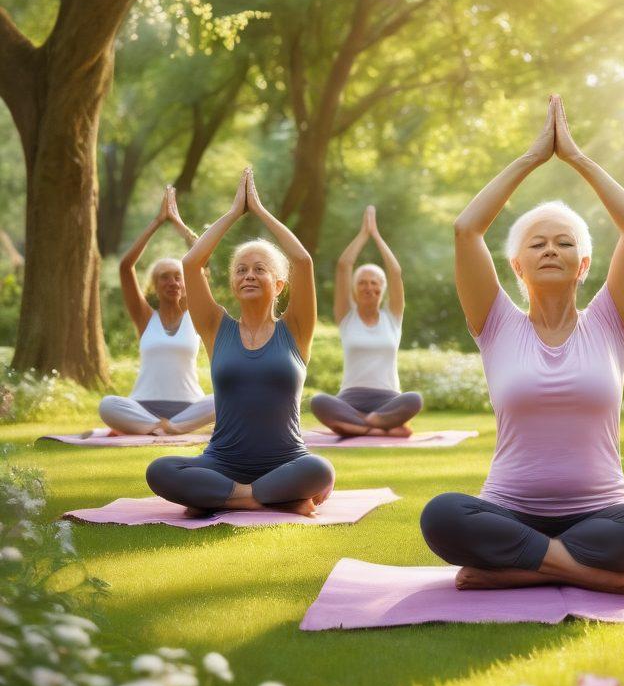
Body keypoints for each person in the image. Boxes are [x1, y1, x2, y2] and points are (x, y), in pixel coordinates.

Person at [420, 95, 624, 597]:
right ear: (517, 266)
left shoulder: (611, 321)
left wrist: (576, 157)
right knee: (442, 515)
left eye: (565, 243)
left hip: (603, 514)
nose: (551, 249)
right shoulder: (494, 323)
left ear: (583, 266)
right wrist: (532, 157)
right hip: (508, 511)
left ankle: (515, 570)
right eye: (537, 244)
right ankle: (584, 573)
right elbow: (466, 229)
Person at [146, 169, 334, 517]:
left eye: (260, 269)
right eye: (241, 270)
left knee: (320, 471)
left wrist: (260, 211)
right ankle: (266, 499)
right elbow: (192, 263)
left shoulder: (295, 328)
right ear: (233, 284)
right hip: (222, 462)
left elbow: (303, 261)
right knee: (159, 470)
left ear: (279, 285)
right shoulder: (216, 327)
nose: (249, 275)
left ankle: (217, 498)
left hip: (287, 461)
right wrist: (234, 213)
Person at [98, 186, 215, 436]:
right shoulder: (144, 317)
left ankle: (170, 427)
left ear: (186, 284)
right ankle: (160, 427)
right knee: (107, 405)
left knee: (222, 399)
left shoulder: (195, 314)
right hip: (143, 406)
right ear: (154, 285)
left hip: (189, 406)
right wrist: (157, 221)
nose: (172, 282)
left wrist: (177, 222)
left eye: (178, 277)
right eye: (165, 278)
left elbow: (202, 258)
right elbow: (125, 267)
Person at [310, 206, 423, 437]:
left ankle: (357, 426)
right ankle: (379, 427)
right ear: (354, 289)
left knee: (414, 399)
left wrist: (377, 236)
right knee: (319, 401)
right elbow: (343, 266)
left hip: (388, 398)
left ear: (382, 289)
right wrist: (364, 234)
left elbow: (394, 271)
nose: (368, 287)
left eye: (374, 283)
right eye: (362, 282)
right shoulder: (346, 316)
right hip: (350, 398)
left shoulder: (393, 317)